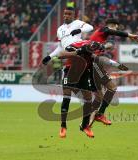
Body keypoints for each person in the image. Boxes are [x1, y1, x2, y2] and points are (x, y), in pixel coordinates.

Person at [41, 7, 94, 138]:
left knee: (88, 98)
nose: (66, 16)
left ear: (73, 15)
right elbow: (60, 47)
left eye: (69, 14)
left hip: (82, 63)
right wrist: (50, 56)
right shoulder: (60, 29)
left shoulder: (77, 23)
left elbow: (90, 27)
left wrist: (79, 30)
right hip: (70, 62)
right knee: (66, 95)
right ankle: (63, 126)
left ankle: (85, 125)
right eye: (65, 14)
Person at [88, 18, 138, 126]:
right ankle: (98, 115)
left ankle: (88, 124)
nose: (116, 29)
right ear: (112, 25)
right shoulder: (103, 29)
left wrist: (118, 65)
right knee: (109, 90)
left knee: (102, 94)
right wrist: (130, 35)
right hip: (92, 64)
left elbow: (106, 50)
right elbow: (112, 32)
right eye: (116, 26)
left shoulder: (102, 38)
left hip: (93, 63)